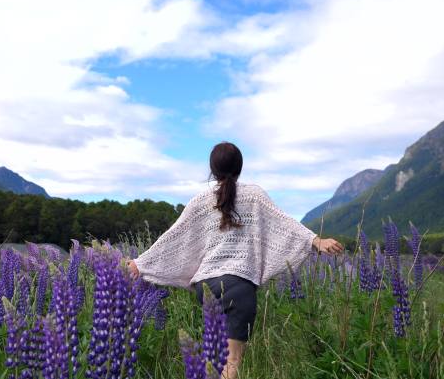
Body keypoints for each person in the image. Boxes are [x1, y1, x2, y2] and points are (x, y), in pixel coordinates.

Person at [128, 142, 343, 379]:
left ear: (213, 169)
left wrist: (141, 263)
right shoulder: (255, 196)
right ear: (240, 166)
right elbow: (284, 224)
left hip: (206, 287)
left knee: (213, 359)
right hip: (239, 287)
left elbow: (174, 236)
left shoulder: (200, 201)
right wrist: (316, 241)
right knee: (231, 363)